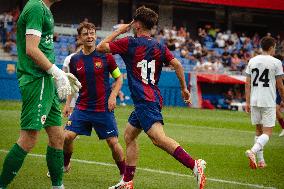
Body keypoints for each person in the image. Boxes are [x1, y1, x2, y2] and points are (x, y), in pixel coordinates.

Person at [97, 6, 206, 189]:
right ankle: (127, 181)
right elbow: (178, 65)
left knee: (158, 138)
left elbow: (100, 47)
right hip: (149, 98)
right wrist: (184, 89)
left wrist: (120, 30)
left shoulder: (129, 42)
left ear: (137, 24)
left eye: (133, 23)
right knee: (129, 135)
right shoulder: (159, 46)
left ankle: (194, 164)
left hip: (146, 100)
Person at [0, 0, 81, 188]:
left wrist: (58, 74)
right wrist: (57, 72)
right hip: (37, 79)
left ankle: (57, 186)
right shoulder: (36, 7)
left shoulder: (45, 10)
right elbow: (31, 49)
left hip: (46, 81)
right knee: (28, 139)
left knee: (58, 136)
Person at [58, 22, 126, 179]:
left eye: (92, 33)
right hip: (82, 108)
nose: (89, 36)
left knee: (113, 143)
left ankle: (124, 176)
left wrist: (113, 95)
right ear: (80, 38)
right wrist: (68, 105)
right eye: (85, 34)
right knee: (66, 137)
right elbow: (73, 84)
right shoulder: (74, 60)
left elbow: (119, 78)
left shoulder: (106, 56)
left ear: (95, 35)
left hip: (103, 109)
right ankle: (66, 164)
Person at [245, 36, 284, 169]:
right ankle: (252, 151)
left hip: (254, 99)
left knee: (258, 130)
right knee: (267, 132)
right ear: (272, 47)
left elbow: (247, 83)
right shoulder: (276, 62)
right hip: (268, 100)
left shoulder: (252, 60)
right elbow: (280, 85)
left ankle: (261, 162)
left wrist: (247, 101)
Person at [274, 54, 284, 137]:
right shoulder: (277, 67)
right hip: (277, 90)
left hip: (281, 89)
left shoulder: (281, 67)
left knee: (276, 110)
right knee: (276, 110)